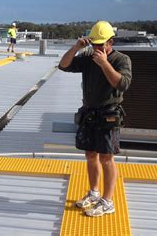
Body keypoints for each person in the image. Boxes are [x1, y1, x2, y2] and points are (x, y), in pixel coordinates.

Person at [58, 21, 132, 217]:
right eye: (94, 44)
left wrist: (104, 63)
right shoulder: (88, 56)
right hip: (90, 113)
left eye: (101, 45)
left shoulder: (121, 59)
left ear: (111, 42)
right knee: (90, 155)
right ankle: (94, 192)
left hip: (109, 114)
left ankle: (107, 201)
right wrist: (76, 48)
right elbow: (63, 65)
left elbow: (122, 84)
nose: (97, 48)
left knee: (107, 158)